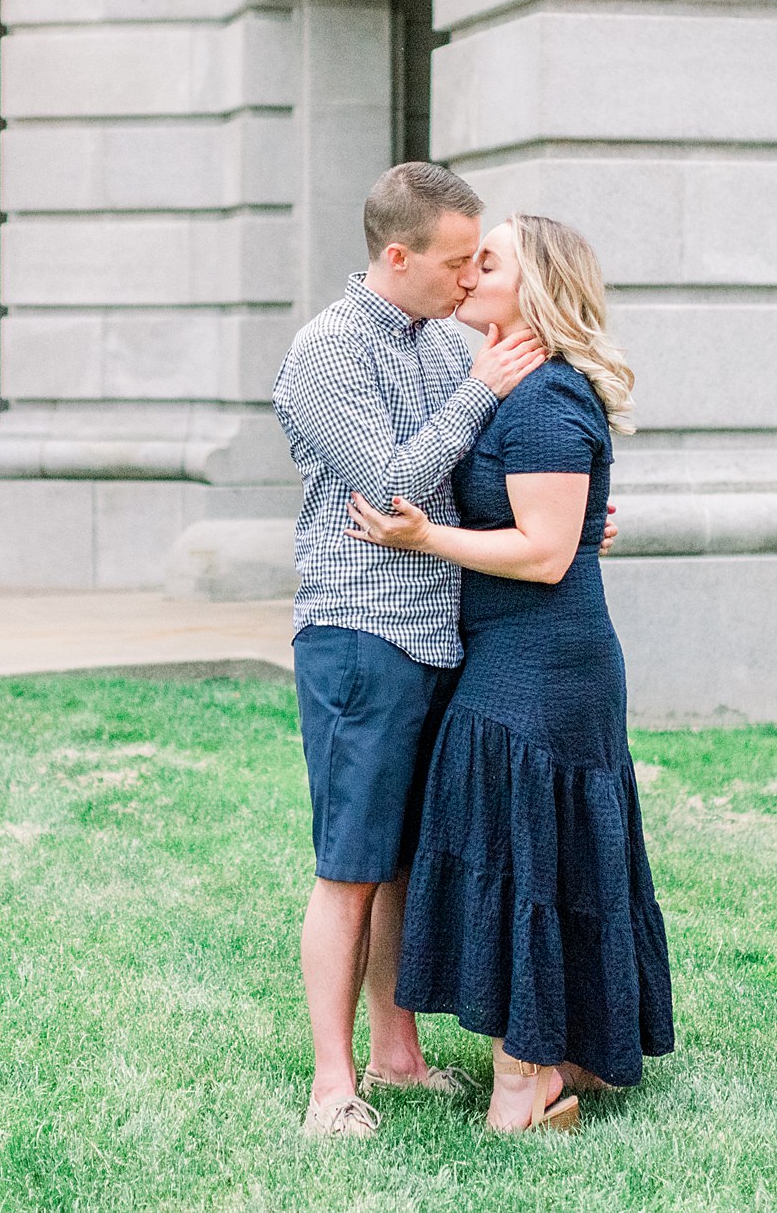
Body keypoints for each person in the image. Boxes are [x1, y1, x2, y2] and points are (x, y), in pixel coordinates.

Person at [348, 213, 674, 1135]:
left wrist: (421, 537)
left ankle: (522, 1090)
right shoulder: (504, 388)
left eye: (487, 262)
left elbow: (541, 554)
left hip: (543, 667)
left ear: (535, 290)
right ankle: (567, 1058)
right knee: (530, 850)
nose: (467, 274)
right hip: (518, 657)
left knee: (528, 848)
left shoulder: (543, 400)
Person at [270, 162, 549, 1141]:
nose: (472, 279)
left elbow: (462, 476)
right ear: (399, 256)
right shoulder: (328, 352)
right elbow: (393, 484)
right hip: (361, 637)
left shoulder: (440, 344)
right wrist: (478, 389)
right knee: (350, 864)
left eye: (483, 261)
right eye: (457, 261)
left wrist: (571, 516)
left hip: (444, 636)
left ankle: (398, 1054)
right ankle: (331, 1087)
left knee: (402, 867)